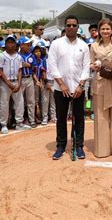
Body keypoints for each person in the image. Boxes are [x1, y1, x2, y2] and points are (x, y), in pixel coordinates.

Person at [47, 15, 90, 160]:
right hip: (61, 90)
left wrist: (81, 86)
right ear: (65, 27)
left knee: (79, 119)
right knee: (61, 118)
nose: (71, 27)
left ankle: (78, 146)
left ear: (78, 28)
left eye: (74, 25)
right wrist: (62, 84)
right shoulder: (56, 44)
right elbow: (52, 66)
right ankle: (61, 146)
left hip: (79, 89)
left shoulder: (83, 46)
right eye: (69, 25)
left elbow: (86, 68)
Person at [89, 18, 112, 158]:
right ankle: (101, 150)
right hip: (100, 83)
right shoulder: (93, 46)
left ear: (111, 30)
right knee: (101, 117)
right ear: (99, 31)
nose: (105, 31)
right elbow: (91, 64)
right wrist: (95, 66)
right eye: (102, 29)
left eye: (107, 29)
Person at [0, 35, 30, 134]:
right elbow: (0, 71)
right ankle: (4, 124)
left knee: (20, 103)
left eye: (12, 42)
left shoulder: (18, 56)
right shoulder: (1, 55)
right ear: (5, 44)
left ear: (15, 44)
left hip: (16, 81)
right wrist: (9, 84)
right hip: (5, 83)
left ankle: (19, 123)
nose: (10, 44)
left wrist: (19, 83)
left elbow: (20, 70)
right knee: (4, 103)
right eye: (8, 42)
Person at [18, 36, 36, 127]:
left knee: (31, 101)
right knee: (20, 101)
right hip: (20, 80)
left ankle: (32, 119)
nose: (29, 46)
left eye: (30, 45)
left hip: (29, 79)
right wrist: (22, 64)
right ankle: (19, 120)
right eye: (27, 45)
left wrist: (29, 66)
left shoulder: (31, 55)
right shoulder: (17, 56)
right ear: (21, 45)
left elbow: (34, 68)